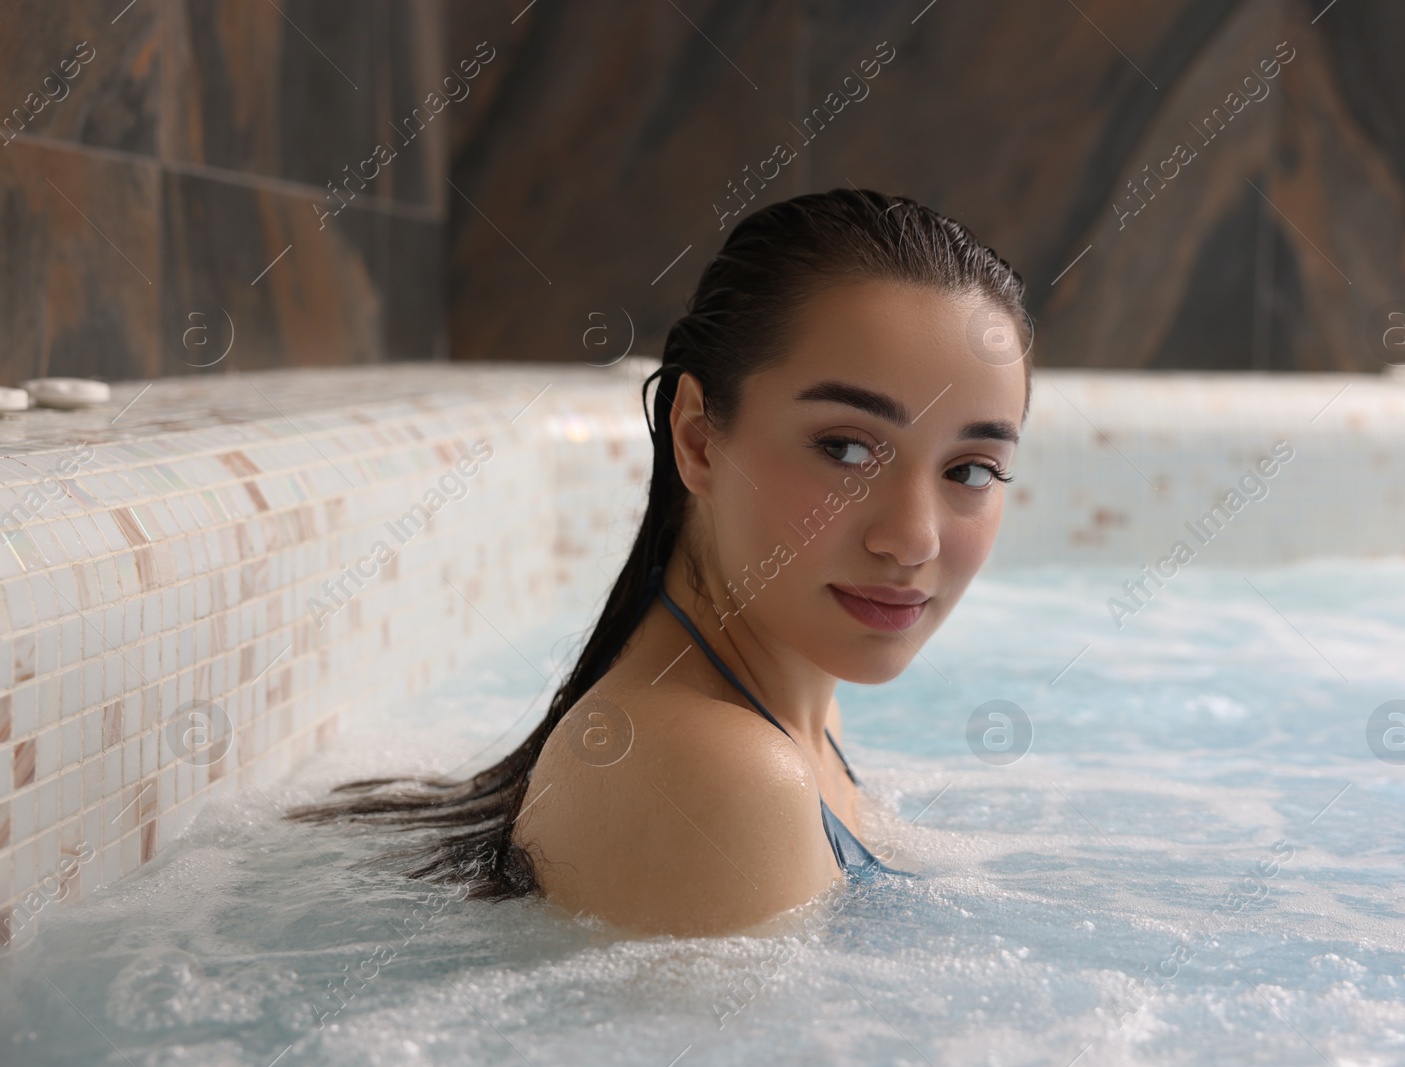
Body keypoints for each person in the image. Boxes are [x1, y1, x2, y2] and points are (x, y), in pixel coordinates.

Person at [289, 188, 1033, 937]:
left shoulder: (787, 707)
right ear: (698, 439)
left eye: (971, 469)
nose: (913, 540)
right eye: (845, 448)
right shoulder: (718, 774)